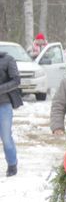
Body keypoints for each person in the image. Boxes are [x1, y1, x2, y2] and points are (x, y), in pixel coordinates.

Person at [0, 46, 22, 177]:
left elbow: (16, 81)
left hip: (4, 105)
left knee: (6, 137)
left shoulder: (8, 59)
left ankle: (12, 164)